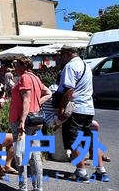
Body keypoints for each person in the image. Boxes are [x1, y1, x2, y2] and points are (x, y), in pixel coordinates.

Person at [56, 45, 108, 182]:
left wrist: (61, 108)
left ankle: (81, 171)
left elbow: (69, 90)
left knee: (74, 140)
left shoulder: (70, 67)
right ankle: (101, 171)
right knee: (90, 140)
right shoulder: (85, 65)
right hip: (88, 108)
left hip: (75, 108)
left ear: (67, 54)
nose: (60, 58)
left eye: (61, 55)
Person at [9, 57, 51, 191]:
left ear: (23, 66)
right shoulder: (35, 78)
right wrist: (37, 103)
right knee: (34, 154)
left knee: (21, 155)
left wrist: (22, 121)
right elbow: (49, 93)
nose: (15, 68)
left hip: (23, 121)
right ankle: (38, 187)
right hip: (35, 120)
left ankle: (23, 187)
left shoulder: (24, 78)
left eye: (16, 65)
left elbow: (26, 100)